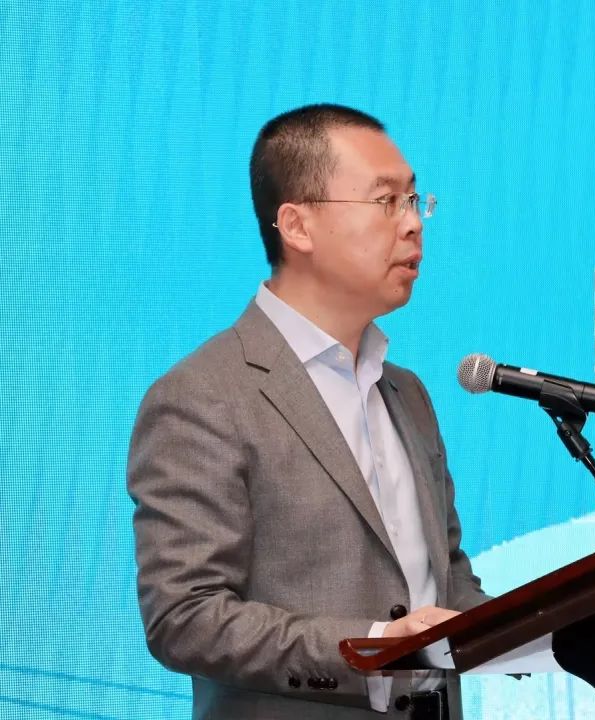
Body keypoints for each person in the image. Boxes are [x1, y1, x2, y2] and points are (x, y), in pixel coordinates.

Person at [128, 104, 489, 720]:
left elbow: (446, 578)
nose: (412, 224)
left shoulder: (408, 394)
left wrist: (552, 622)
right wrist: (370, 648)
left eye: (414, 200)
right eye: (386, 201)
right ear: (296, 225)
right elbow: (185, 617)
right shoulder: (203, 397)